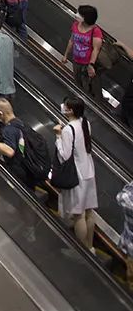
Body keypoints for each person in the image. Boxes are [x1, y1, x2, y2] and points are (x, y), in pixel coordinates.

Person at [0, 98, 50, 191]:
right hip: (31, 169)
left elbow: (9, 151)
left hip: (21, 173)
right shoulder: (22, 123)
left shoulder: (9, 129)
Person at [54, 97, 98, 249]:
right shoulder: (86, 123)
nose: (63, 107)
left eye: (65, 106)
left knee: (79, 215)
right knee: (89, 212)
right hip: (89, 171)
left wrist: (58, 136)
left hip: (78, 175)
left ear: (70, 110)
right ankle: (90, 247)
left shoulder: (68, 129)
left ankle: (83, 251)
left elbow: (65, 155)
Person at [64, 4, 104, 99]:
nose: (76, 15)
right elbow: (71, 40)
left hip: (87, 64)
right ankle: (79, 98)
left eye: (80, 14)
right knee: (77, 81)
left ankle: (90, 100)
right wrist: (65, 55)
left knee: (88, 84)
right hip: (76, 61)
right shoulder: (75, 25)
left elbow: (96, 49)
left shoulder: (95, 31)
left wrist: (91, 65)